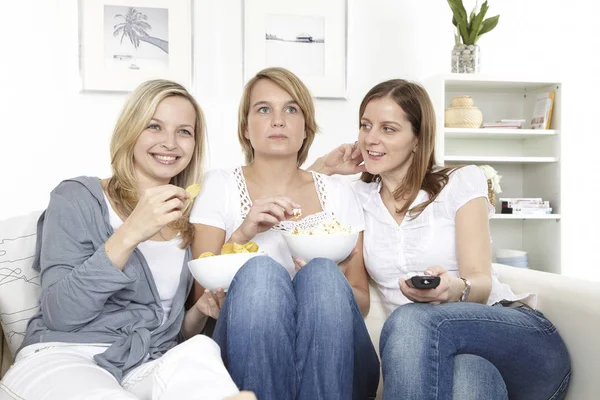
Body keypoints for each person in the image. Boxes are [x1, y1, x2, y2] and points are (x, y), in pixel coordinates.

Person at [313, 79, 572, 399]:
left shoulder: (459, 182)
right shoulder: (357, 199)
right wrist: (323, 167)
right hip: (440, 353)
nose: (371, 138)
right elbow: (298, 214)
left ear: (418, 139)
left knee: (408, 320)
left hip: (515, 338)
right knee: (469, 378)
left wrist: (455, 288)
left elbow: (481, 282)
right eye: (366, 126)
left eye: (388, 129)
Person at [0, 80, 255, 400]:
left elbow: (169, 333)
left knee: (200, 351)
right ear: (131, 130)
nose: (170, 143)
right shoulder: (77, 197)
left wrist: (199, 311)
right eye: (155, 126)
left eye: (184, 131)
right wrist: (131, 232)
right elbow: (60, 314)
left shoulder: (188, 216)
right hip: (65, 355)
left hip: (145, 362)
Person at [190, 67, 380, 399]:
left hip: (337, 364)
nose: (278, 120)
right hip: (246, 360)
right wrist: (243, 232)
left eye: (291, 109)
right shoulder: (219, 186)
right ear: (245, 128)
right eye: (263, 109)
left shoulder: (337, 192)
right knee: (261, 272)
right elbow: (200, 297)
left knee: (321, 274)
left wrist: (329, 286)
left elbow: (361, 300)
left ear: (306, 129)